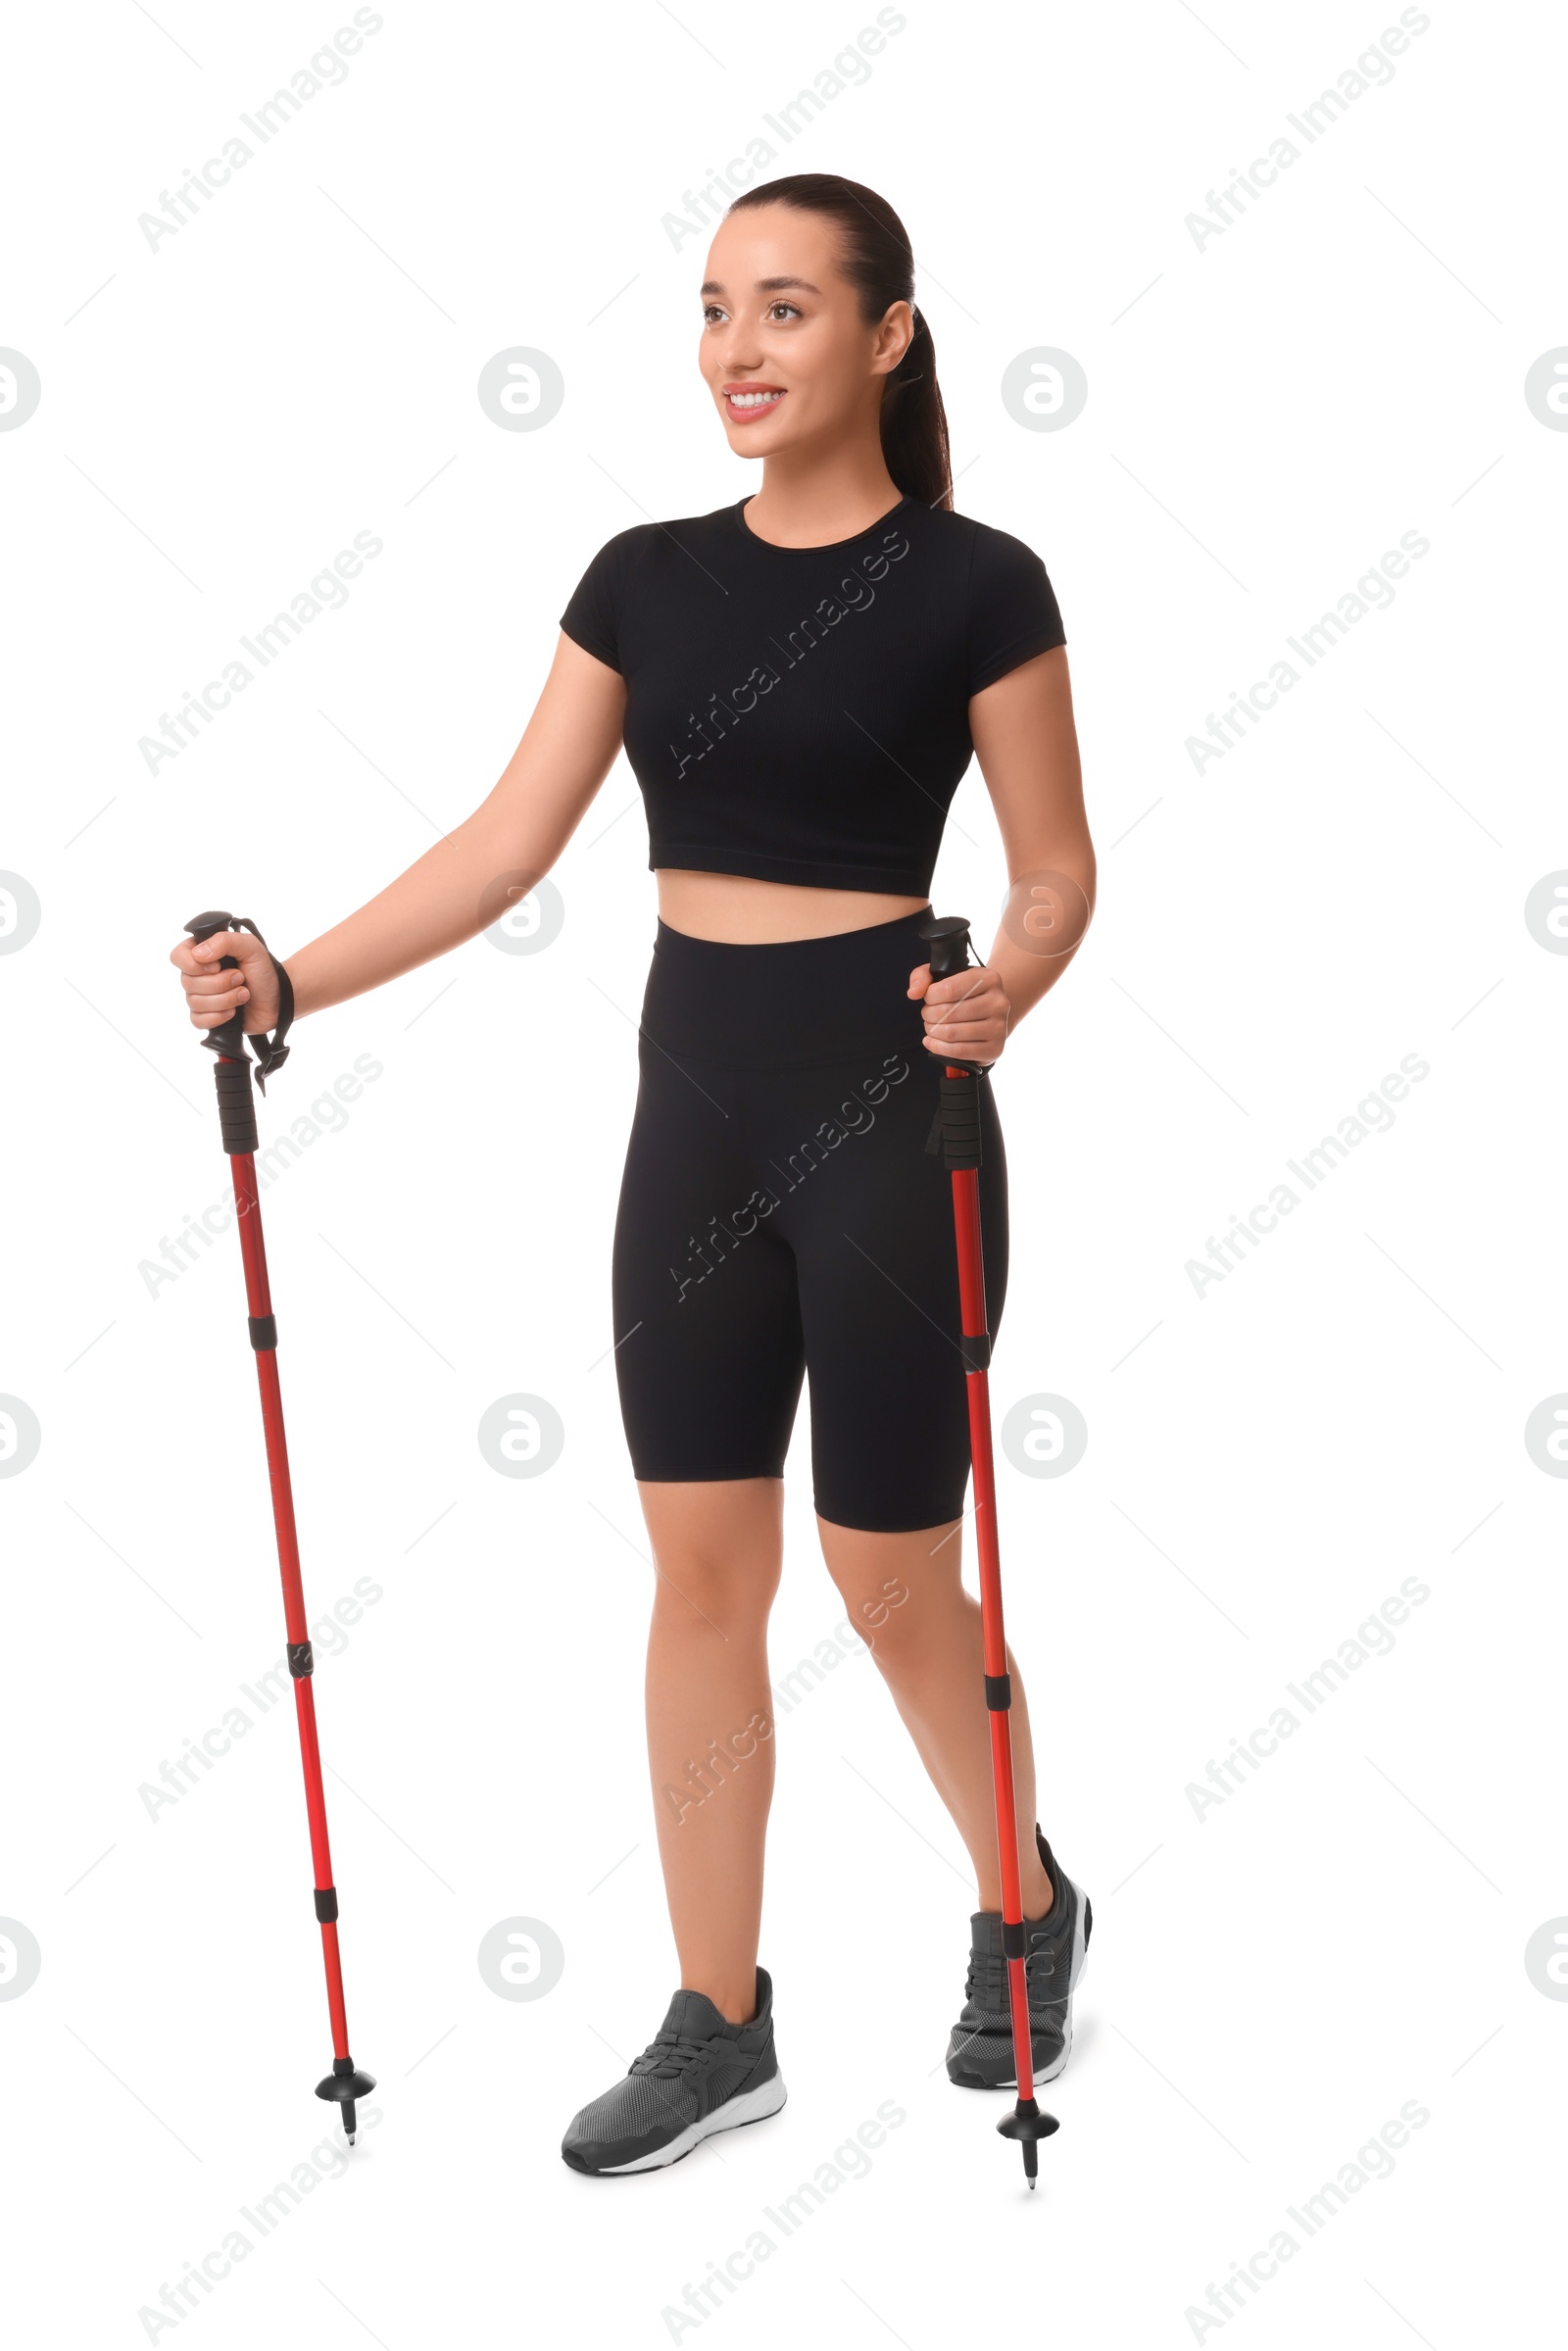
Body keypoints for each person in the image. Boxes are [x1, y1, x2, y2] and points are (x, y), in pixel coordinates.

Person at [171, 172, 1098, 2177]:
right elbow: (507, 844)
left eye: (782, 309)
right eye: (709, 311)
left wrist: (1001, 987)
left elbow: (1050, 865)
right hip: (693, 1107)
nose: (737, 351)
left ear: (886, 336)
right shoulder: (642, 576)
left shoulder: (976, 581)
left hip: (886, 1100)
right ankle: (717, 2017)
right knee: (695, 1566)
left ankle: (1022, 1901)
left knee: (880, 1579)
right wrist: (291, 982)